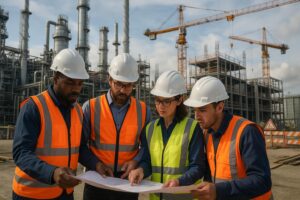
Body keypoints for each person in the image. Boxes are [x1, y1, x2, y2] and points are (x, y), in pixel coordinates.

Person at [12, 48, 103, 200]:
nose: (76, 89)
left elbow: (79, 148)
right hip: (32, 194)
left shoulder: (78, 111)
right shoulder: (34, 107)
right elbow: (21, 152)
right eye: (70, 83)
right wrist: (52, 173)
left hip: (65, 193)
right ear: (55, 79)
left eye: (80, 83)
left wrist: (96, 164)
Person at [183, 76, 272, 200]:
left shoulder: (247, 132)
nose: (196, 116)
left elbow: (262, 181)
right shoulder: (207, 133)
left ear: (219, 107)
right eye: (195, 110)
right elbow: (210, 174)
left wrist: (218, 191)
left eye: (202, 110)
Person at [82, 53, 151, 200]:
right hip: (97, 180)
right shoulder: (91, 107)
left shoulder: (143, 110)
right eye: (118, 84)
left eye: (128, 86)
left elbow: (147, 146)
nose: (123, 90)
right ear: (110, 79)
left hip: (127, 181)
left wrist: (136, 161)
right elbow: (80, 146)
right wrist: (96, 164)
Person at [128, 70, 206, 200]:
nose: (160, 106)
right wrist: (141, 170)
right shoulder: (150, 129)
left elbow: (198, 167)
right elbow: (147, 161)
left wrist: (179, 181)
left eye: (166, 101)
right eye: (158, 101)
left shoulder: (192, 128)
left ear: (179, 100)